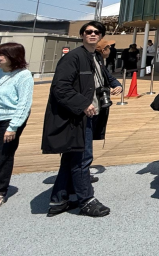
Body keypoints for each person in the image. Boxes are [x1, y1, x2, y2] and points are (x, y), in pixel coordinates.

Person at [42, 21, 111, 217]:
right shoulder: (73, 57)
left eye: (96, 32)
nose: (92, 34)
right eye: (88, 31)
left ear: (100, 36)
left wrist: (113, 85)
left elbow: (102, 78)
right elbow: (60, 87)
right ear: (82, 35)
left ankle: (58, 200)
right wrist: (83, 104)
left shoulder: (94, 57)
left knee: (71, 157)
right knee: (82, 158)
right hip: (77, 116)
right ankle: (86, 200)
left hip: (89, 113)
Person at [0, 42, 34, 212]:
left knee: (4, 156)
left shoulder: (24, 75)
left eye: (0, 55)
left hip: (10, 119)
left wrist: (13, 126)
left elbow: (24, 104)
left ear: (13, 57)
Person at [85, 40, 123, 182]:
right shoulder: (90, 60)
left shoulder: (100, 61)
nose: (110, 50)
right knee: (86, 141)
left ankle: (83, 173)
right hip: (89, 106)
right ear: (103, 50)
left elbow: (108, 76)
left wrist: (117, 85)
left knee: (88, 139)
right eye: (108, 47)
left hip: (97, 106)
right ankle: (82, 175)